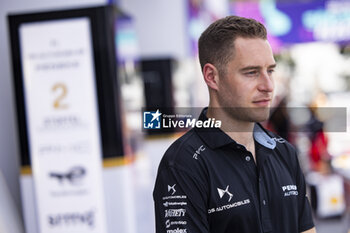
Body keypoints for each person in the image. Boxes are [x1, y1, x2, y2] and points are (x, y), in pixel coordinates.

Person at [153, 16, 316, 233]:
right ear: (212, 77)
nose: (268, 86)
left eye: (270, 71)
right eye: (251, 72)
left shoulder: (284, 152)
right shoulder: (183, 164)